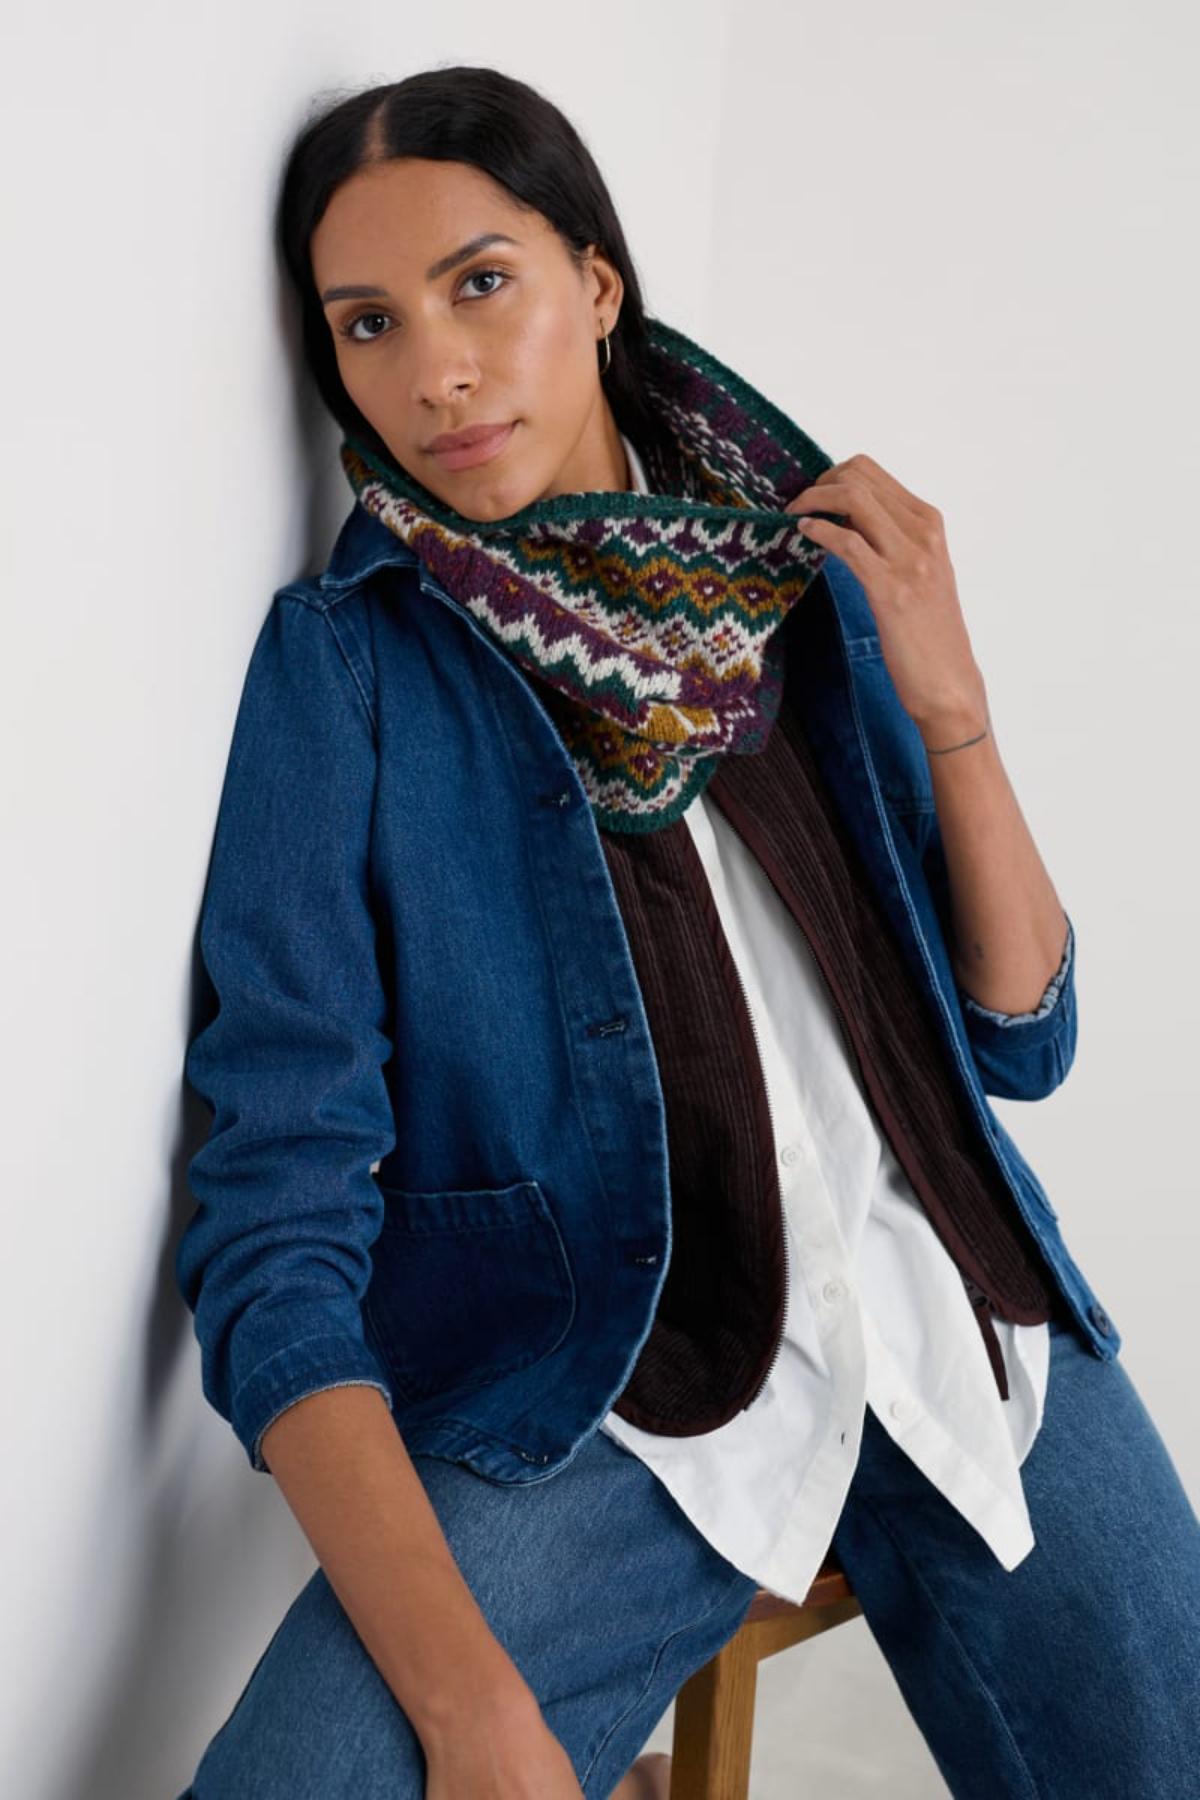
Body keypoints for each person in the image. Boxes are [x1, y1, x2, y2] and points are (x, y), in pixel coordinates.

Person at [173, 63, 1200, 1800]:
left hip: (948, 1304)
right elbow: (273, 1227)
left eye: (480, 283)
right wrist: (473, 1713)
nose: (434, 371)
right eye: (368, 323)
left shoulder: (792, 563)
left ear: (596, 282)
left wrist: (954, 704)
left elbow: (1022, 1038)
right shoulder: (349, 665)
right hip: (611, 1387)